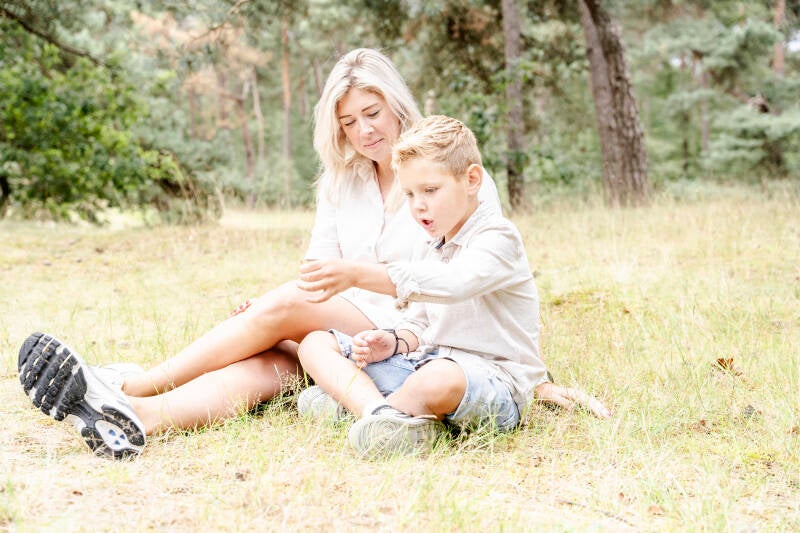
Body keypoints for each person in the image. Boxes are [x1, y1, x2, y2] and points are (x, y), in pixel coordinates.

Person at [16, 48, 503, 459]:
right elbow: (316, 269)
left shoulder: (447, 175)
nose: (364, 132)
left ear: (396, 103)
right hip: (341, 330)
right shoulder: (341, 181)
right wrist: (271, 315)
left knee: (288, 307)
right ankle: (142, 417)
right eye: (349, 122)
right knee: (276, 360)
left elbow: (468, 277)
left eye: (372, 114)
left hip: (410, 328)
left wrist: (286, 307)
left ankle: (132, 386)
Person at [296, 115, 611, 457]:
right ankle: (383, 413)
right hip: (425, 363)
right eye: (409, 194)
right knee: (315, 344)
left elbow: (454, 284)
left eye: (430, 190)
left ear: (472, 179)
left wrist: (358, 274)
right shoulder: (428, 244)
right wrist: (393, 342)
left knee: (436, 379)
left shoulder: (498, 237)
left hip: (492, 381)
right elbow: (420, 323)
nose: (418, 205)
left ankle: (369, 411)